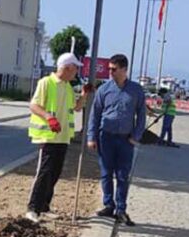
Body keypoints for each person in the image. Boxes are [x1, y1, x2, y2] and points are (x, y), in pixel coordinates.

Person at [85, 54, 147, 226]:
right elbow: (95, 114)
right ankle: (108, 205)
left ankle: (121, 209)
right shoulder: (104, 90)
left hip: (126, 140)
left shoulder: (136, 90)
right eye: (109, 69)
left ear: (124, 69)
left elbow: (141, 115)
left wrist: (136, 137)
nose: (110, 72)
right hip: (106, 137)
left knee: (122, 176)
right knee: (106, 173)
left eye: (114, 69)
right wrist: (91, 137)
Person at [25, 52, 86, 223]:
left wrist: (84, 95)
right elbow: (34, 105)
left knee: (55, 173)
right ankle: (33, 209)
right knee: (44, 172)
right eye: (75, 69)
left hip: (63, 137)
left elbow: (76, 107)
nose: (76, 73)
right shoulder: (46, 83)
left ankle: (44, 206)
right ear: (66, 68)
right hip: (48, 136)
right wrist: (48, 117)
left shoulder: (67, 86)